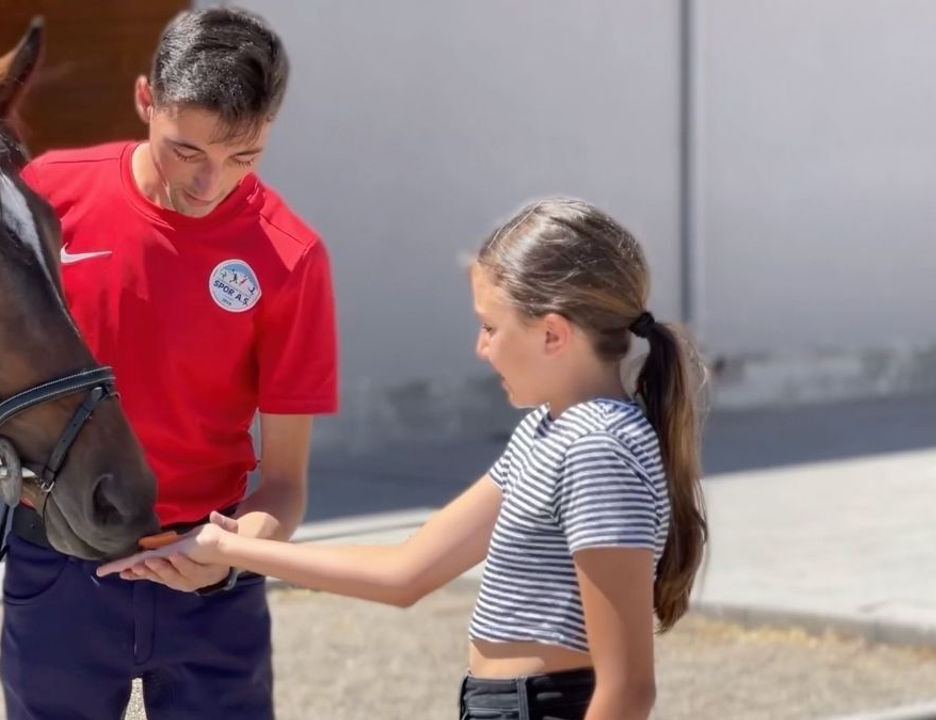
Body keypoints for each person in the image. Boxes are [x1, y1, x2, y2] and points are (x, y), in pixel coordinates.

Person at [101, 198, 709, 720]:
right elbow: (405, 572)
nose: (481, 348)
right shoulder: (548, 433)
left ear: (554, 334)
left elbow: (627, 689)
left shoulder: (598, 448)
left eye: (490, 327)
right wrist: (227, 550)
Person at [0, 6, 337, 720]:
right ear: (145, 97)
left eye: (243, 157)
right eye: (189, 150)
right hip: (60, 567)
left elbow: (283, 483)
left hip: (214, 586)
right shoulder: (51, 193)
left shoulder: (290, 255)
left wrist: (234, 551)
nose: (211, 182)